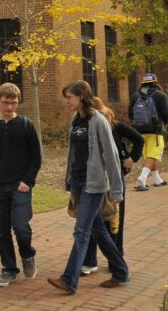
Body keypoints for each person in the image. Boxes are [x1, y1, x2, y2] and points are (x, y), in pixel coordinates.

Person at [48, 81, 129, 294]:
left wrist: (117, 190)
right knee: (98, 230)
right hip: (77, 182)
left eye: (69, 97)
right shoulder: (75, 120)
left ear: (81, 97)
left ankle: (69, 280)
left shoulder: (98, 121)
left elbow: (111, 156)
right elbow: (74, 154)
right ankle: (120, 270)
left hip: (94, 185)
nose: (67, 101)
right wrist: (69, 180)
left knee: (81, 230)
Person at [0, 82, 42, 287]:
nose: (10, 107)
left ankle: (27, 254)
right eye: (6, 103)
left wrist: (27, 181)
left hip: (20, 186)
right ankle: (9, 269)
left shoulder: (25, 125)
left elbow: (36, 157)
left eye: (13, 103)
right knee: (1, 230)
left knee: (21, 226)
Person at [82, 106, 144, 275]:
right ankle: (89, 260)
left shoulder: (115, 126)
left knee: (114, 221)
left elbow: (139, 139)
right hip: (95, 180)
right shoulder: (86, 128)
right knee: (93, 221)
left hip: (114, 180)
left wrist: (132, 159)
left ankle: (115, 260)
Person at [128, 73, 168, 191]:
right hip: (155, 131)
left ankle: (157, 179)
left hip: (138, 131)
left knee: (148, 155)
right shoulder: (161, 95)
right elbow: (166, 114)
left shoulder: (135, 96)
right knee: (154, 154)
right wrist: (162, 123)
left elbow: (130, 114)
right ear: (155, 82)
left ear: (143, 83)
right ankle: (143, 177)